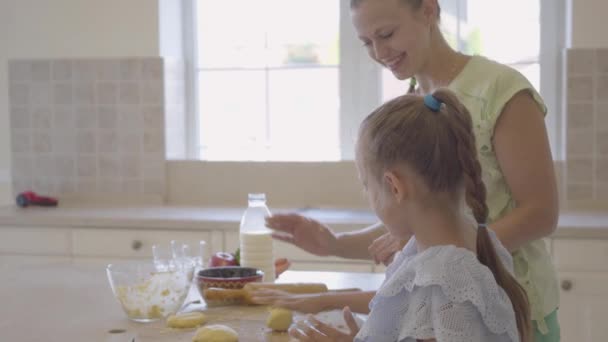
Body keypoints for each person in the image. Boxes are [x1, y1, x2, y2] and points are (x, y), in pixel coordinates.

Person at [256, 0, 560, 340]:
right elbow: (422, 212)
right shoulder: (421, 99)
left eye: (386, 34)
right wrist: (335, 244)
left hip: (518, 310)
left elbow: (540, 214)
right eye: (367, 42)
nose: (379, 51)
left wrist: (442, 255)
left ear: (428, 10)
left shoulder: (500, 90)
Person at [297, 90, 531, 341]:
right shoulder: (472, 242)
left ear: (395, 187)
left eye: (367, 185)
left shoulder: (443, 278)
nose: (369, 196)